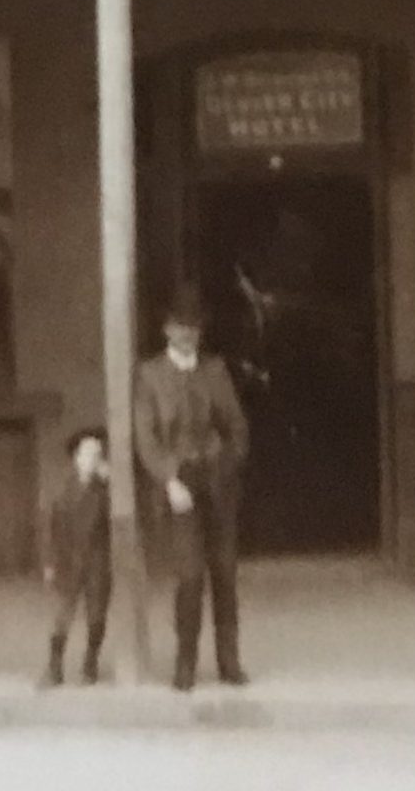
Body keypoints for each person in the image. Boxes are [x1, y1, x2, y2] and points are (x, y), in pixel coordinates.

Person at [132, 283, 250, 691]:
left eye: (194, 328)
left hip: (216, 482)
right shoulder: (150, 376)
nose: (188, 335)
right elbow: (146, 438)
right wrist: (169, 480)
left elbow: (237, 427)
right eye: (180, 327)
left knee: (225, 572)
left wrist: (227, 466)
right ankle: (186, 661)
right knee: (189, 576)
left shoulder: (215, 371)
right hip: (178, 485)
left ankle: (229, 660)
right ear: (166, 331)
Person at [41, 426, 113, 687]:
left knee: (96, 616)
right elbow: (51, 527)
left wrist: (111, 483)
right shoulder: (62, 487)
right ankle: (54, 667)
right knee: (62, 615)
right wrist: (50, 562)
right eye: (88, 453)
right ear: (77, 457)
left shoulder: (107, 489)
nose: (93, 459)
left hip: (97, 559)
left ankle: (90, 663)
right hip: (67, 557)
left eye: (98, 454)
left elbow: (119, 520)